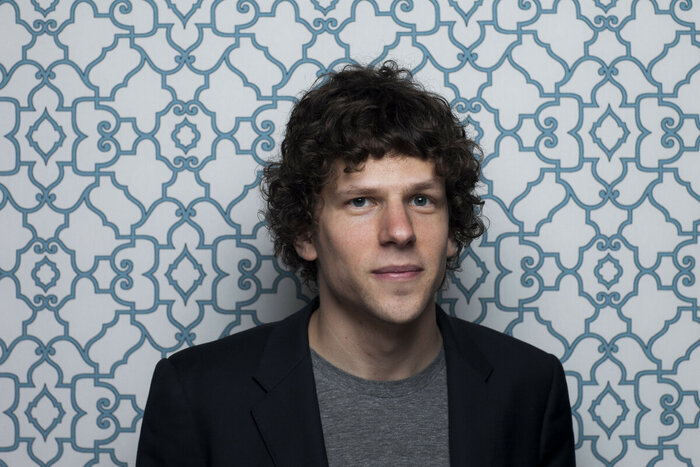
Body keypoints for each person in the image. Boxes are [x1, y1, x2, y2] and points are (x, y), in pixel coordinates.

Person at [136, 61, 576, 466]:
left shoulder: (532, 388)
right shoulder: (196, 395)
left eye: (421, 200)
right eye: (361, 201)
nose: (400, 231)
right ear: (305, 232)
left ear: (451, 229)